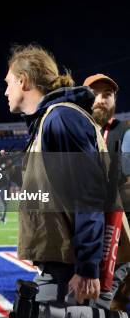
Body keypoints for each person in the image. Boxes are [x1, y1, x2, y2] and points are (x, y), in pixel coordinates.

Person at [4, 44, 119, 306]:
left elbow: (88, 192)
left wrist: (88, 267)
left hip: (68, 269)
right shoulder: (52, 119)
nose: (6, 91)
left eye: (8, 82)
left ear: (24, 80)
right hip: (61, 264)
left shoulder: (61, 118)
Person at [84, 73, 130, 309]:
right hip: (81, 238)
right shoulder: (75, 132)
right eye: (95, 94)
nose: (101, 99)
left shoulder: (125, 132)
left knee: (111, 303)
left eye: (107, 95)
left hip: (117, 238)